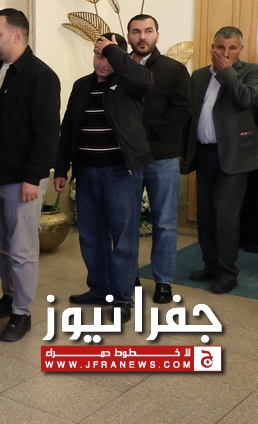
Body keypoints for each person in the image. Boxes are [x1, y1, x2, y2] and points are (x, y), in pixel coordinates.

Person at [55, 33, 153, 322]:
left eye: (108, 57)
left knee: (123, 238)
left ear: (119, 58)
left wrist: (113, 50)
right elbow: (67, 129)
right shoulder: (81, 86)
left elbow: (144, 80)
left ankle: (122, 297)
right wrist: (60, 169)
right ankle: (99, 289)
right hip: (87, 173)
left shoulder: (129, 84)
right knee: (91, 237)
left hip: (120, 173)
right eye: (99, 55)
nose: (102, 62)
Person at [0, 8, 60, 342]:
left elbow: (47, 133)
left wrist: (33, 178)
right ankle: (9, 295)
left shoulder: (41, 76)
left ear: (16, 35)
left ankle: (22, 313)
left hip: (21, 180)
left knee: (22, 249)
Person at [182, 26, 258, 294]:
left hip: (235, 157)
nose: (225, 53)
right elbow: (190, 116)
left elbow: (246, 98)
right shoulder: (198, 75)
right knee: (205, 214)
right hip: (204, 154)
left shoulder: (253, 72)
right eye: (220, 47)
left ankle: (228, 273)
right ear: (212, 47)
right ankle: (210, 265)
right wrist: (184, 151)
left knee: (225, 216)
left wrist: (226, 71)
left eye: (232, 48)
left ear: (241, 49)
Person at [124, 14, 191, 304]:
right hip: (126, 159)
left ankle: (163, 281)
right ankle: (129, 276)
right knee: (125, 221)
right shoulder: (120, 68)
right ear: (129, 36)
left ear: (157, 35)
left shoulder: (174, 69)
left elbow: (183, 109)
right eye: (136, 31)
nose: (142, 36)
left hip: (161, 157)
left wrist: (147, 130)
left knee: (164, 222)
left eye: (148, 31)